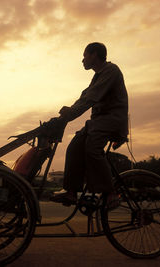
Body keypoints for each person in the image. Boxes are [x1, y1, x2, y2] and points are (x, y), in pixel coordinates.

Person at [50, 42, 128, 205]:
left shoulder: (111, 71)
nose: (83, 60)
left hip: (111, 119)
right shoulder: (98, 75)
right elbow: (85, 96)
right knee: (74, 147)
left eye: (85, 55)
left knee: (92, 148)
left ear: (94, 55)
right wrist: (66, 114)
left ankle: (110, 193)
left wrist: (70, 114)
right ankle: (71, 191)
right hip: (98, 121)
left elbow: (90, 98)